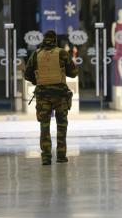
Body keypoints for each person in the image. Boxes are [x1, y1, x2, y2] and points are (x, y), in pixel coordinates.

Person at [24, 30, 78, 165]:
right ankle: (61, 156)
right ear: (55, 40)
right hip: (60, 96)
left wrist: (39, 81)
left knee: (44, 126)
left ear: (44, 39)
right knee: (61, 125)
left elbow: (27, 75)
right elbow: (73, 73)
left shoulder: (36, 54)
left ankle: (46, 157)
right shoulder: (62, 53)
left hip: (43, 96)